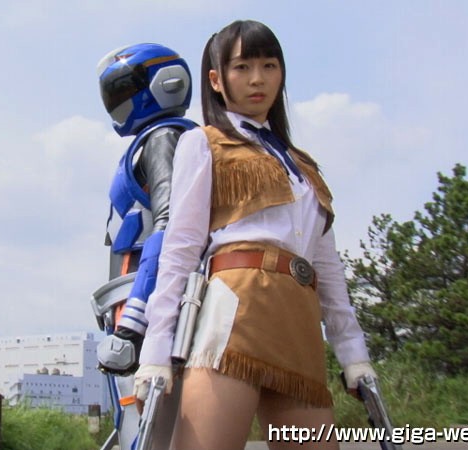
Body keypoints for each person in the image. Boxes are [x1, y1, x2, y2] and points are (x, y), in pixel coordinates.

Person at [133, 20, 377, 450]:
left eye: (269, 66)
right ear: (217, 79)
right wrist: (156, 349)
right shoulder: (203, 143)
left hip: (299, 321)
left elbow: (328, 267)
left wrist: (353, 352)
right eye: (242, 67)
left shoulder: (304, 167)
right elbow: (180, 249)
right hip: (236, 311)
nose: (258, 79)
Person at [91, 42, 196, 450]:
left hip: (148, 302)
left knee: (148, 424)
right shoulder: (155, 141)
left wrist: (133, 320)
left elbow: (170, 227)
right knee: (136, 419)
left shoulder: (163, 138)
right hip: (139, 296)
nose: (116, 102)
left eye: (123, 89)